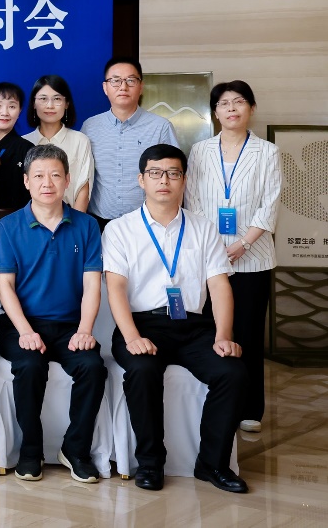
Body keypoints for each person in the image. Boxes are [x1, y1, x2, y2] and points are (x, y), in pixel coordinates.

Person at [104, 143, 247, 494]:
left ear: (184, 179)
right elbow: (116, 288)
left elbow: (220, 286)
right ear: (141, 180)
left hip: (194, 327)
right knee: (142, 370)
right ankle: (150, 463)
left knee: (232, 371)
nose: (164, 180)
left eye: (173, 173)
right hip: (142, 324)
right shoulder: (120, 229)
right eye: (155, 173)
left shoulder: (203, 228)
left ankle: (212, 464)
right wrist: (132, 337)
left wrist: (223, 335)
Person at [0, 144, 106, 483]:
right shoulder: (8, 227)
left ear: (68, 180)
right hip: (20, 325)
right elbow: (5, 287)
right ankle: (31, 450)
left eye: (55, 175)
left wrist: (85, 329)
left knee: (93, 368)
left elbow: (92, 285)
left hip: (70, 325)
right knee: (29, 366)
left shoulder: (87, 226)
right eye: (39, 176)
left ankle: (75, 449)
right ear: (26, 181)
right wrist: (25, 331)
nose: (47, 183)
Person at [184, 80, 281, 433]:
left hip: (253, 257)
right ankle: (216, 400)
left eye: (239, 102)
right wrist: (212, 246)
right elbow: (192, 201)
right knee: (211, 331)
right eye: (224, 104)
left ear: (251, 108)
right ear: (215, 112)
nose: (231, 109)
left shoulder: (267, 152)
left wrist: (243, 243)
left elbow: (270, 205)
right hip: (210, 259)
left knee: (248, 334)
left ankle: (250, 408)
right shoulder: (199, 151)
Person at [80, 57, 178, 228]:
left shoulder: (161, 127)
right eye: (115, 81)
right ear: (105, 88)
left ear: (141, 86)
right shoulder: (90, 127)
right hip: (99, 222)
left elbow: (174, 176)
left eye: (131, 80)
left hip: (148, 222)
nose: (123, 87)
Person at [24, 74, 94, 212]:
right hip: (31, 219)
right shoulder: (24, 143)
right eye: (43, 99)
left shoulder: (80, 140)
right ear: (33, 103)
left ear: (66, 104)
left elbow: (83, 189)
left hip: (71, 216)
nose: (50, 105)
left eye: (57, 99)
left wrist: (74, 223)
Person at [0, 82, 33, 216]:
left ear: (20, 111)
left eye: (12, 106)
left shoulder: (28, 149)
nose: (4, 112)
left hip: (17, 220)